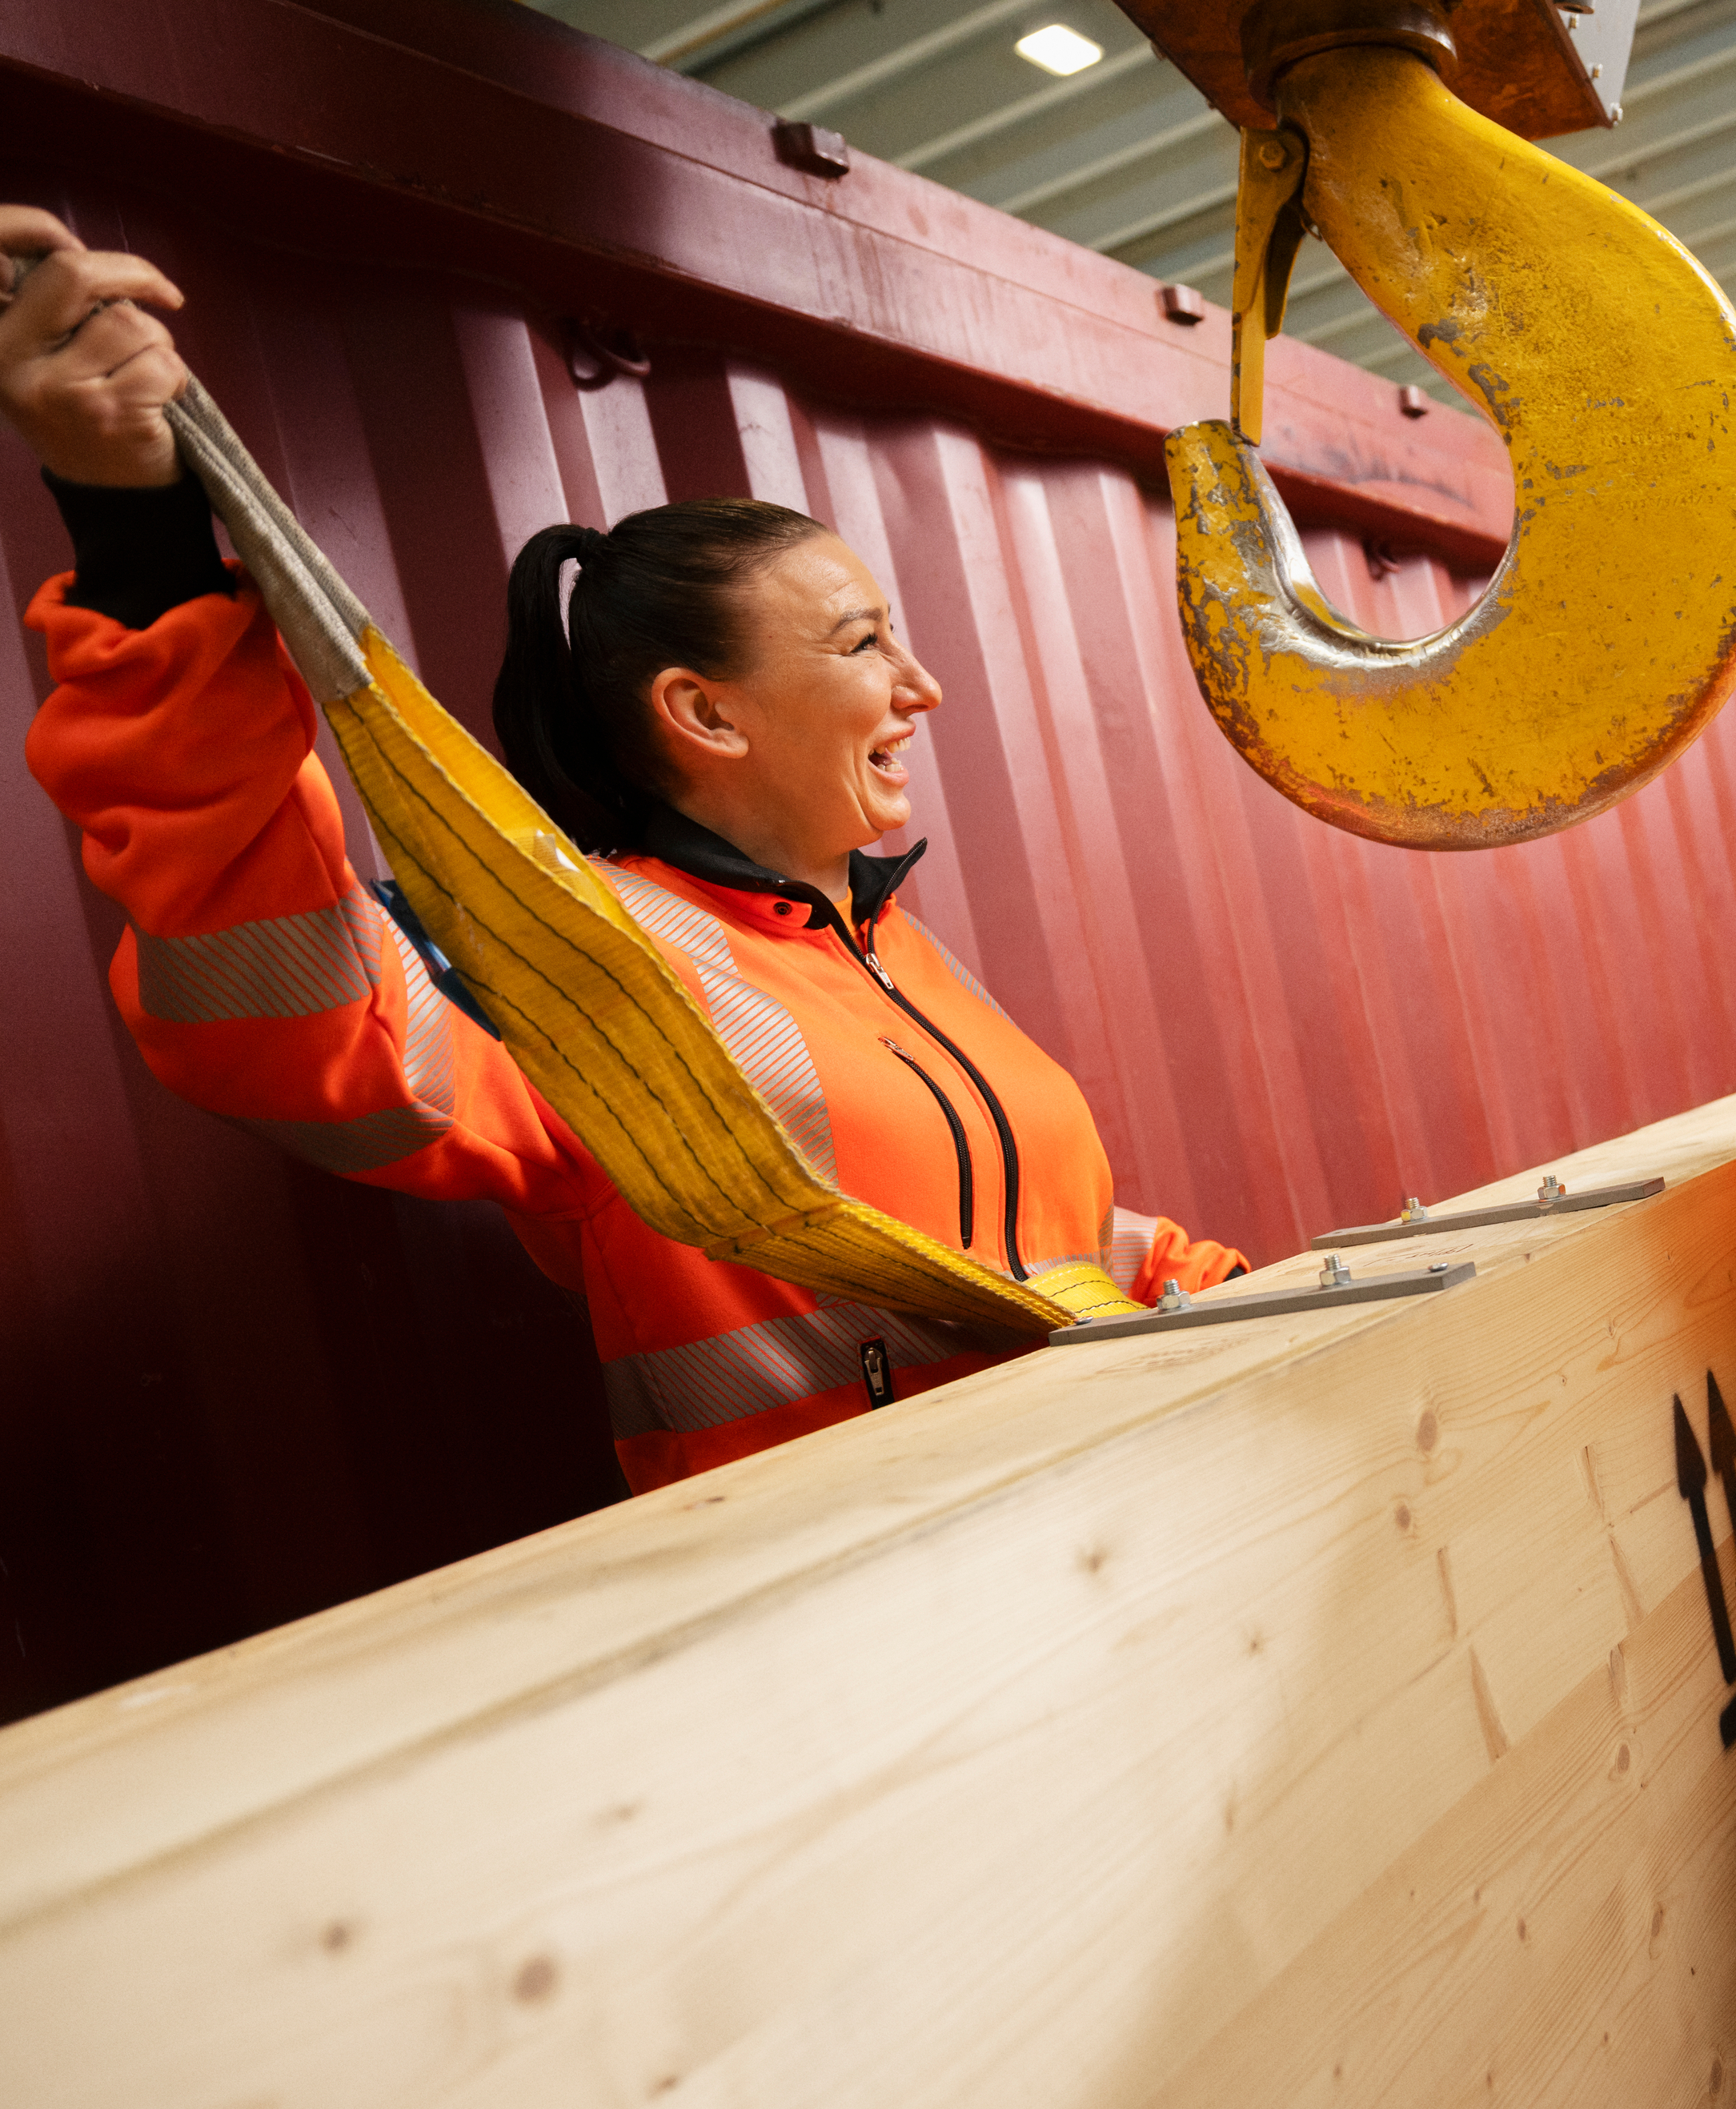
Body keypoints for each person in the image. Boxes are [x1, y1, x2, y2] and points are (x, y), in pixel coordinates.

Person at [4, 208, 1245, 1489]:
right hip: (853, 1599)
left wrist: (1227, 1291)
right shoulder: (580, 955)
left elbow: (1044, 1245)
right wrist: (136, 539)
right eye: (863, 642)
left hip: (1085, 1534)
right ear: (705, 712)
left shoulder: (895, 954)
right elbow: (290, 1021)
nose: (921, 685)